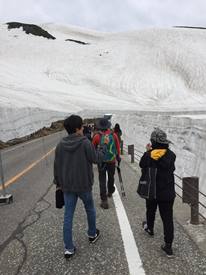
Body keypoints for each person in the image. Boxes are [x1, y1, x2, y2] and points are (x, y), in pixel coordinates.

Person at [53, 115, 108, 259]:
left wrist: (58, 184)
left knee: (68, 216)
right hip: (84, 185)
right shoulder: (85, 143)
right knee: (89, 209)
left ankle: (69, 248)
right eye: (82, 126)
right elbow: (96, 159)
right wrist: (103, 147)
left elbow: (56, 167)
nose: (83, 128)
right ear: (77, 128)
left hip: (68, 187)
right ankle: (91, 234)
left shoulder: (60, 145)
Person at [139, 128, 176, 257]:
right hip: (167, 192)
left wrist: (148, 151)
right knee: (167, 219)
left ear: (153, 142)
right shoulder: (171, 155)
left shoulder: (149, 155)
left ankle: (150, 228)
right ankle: (168, 247)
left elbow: (142, 164)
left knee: (150, 210)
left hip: (152, 190)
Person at [92, 118, 121, 209]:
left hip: (101, 162)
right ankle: (110, 191)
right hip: (111, 161)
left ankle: (104, 200)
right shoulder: (114, 135)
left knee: (102, 180)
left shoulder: (97, 136)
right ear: (108, 126)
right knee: (111, 176)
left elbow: (93, 148)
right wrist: (118, 157)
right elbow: (117, 147)